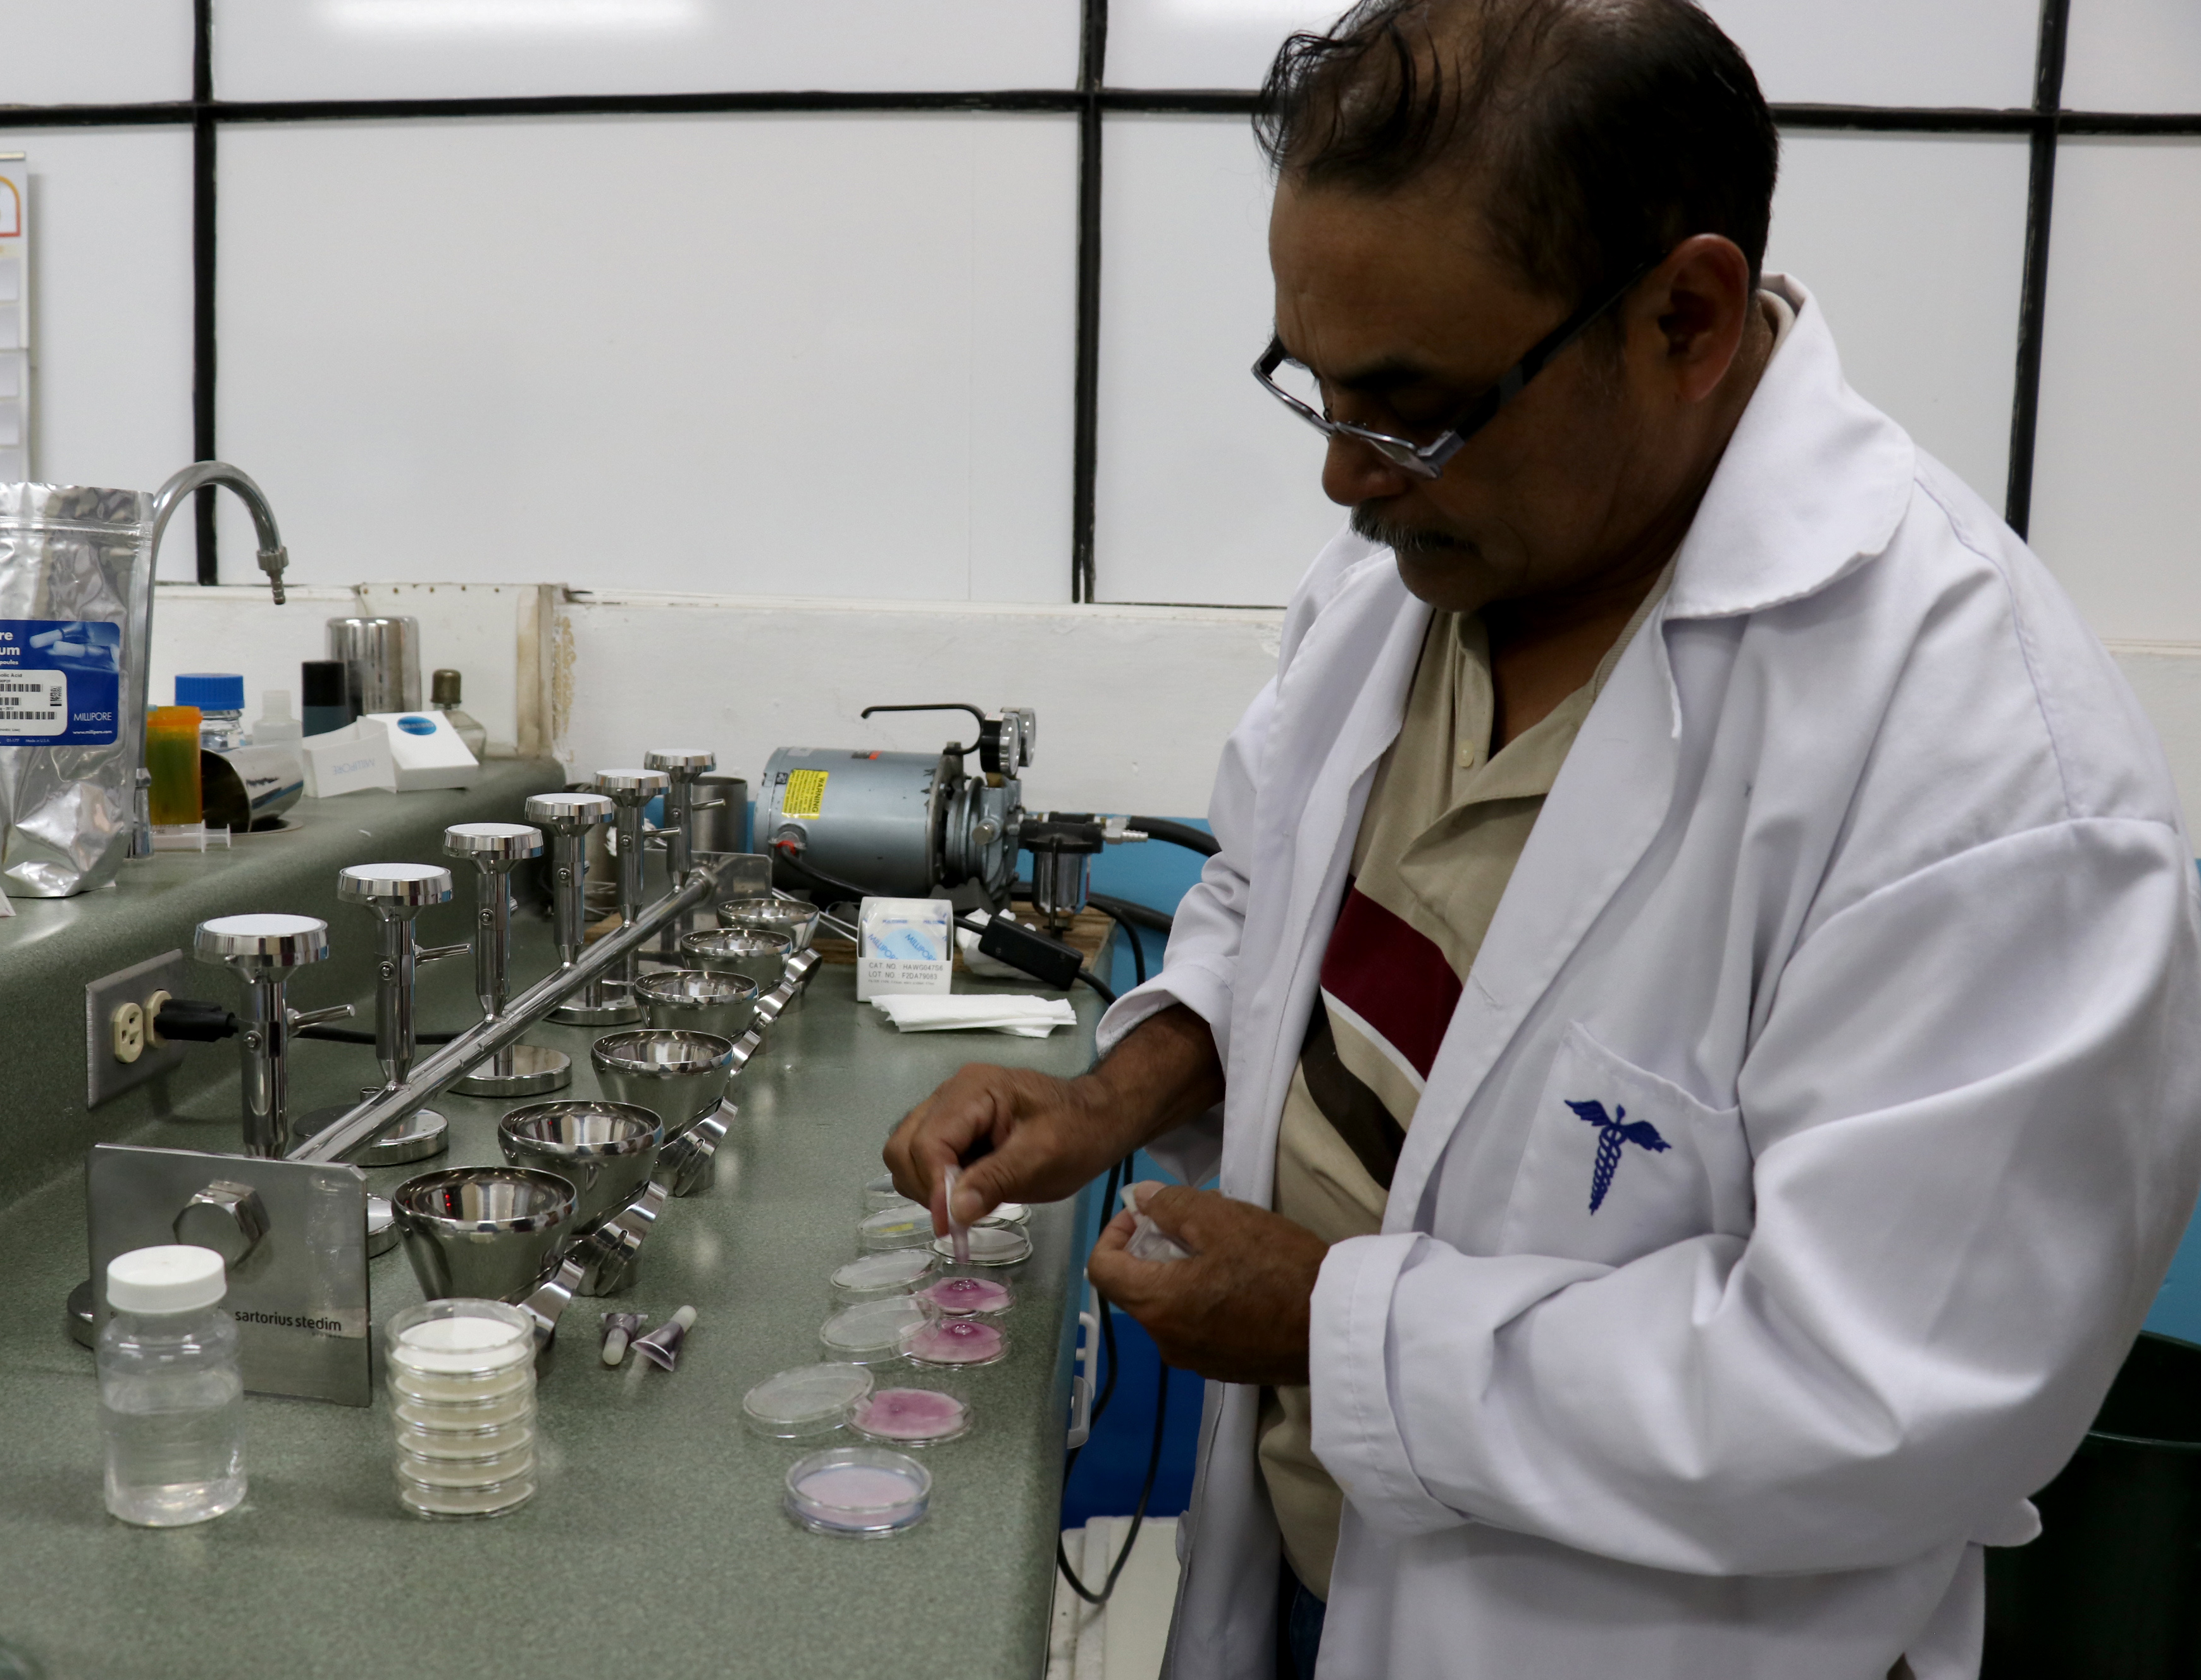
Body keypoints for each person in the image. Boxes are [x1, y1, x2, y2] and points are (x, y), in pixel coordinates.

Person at [884, 1, 2201, 1676]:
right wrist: (1112, 1098)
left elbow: (1882, 1401)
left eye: (1411, 407)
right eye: (1318, 392)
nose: (1345, 480)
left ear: (1685, 316)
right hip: (1302, 1577)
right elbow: (1264, 899)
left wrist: (1328, 1322)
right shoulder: (1426, 558)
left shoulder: (1988, 767)